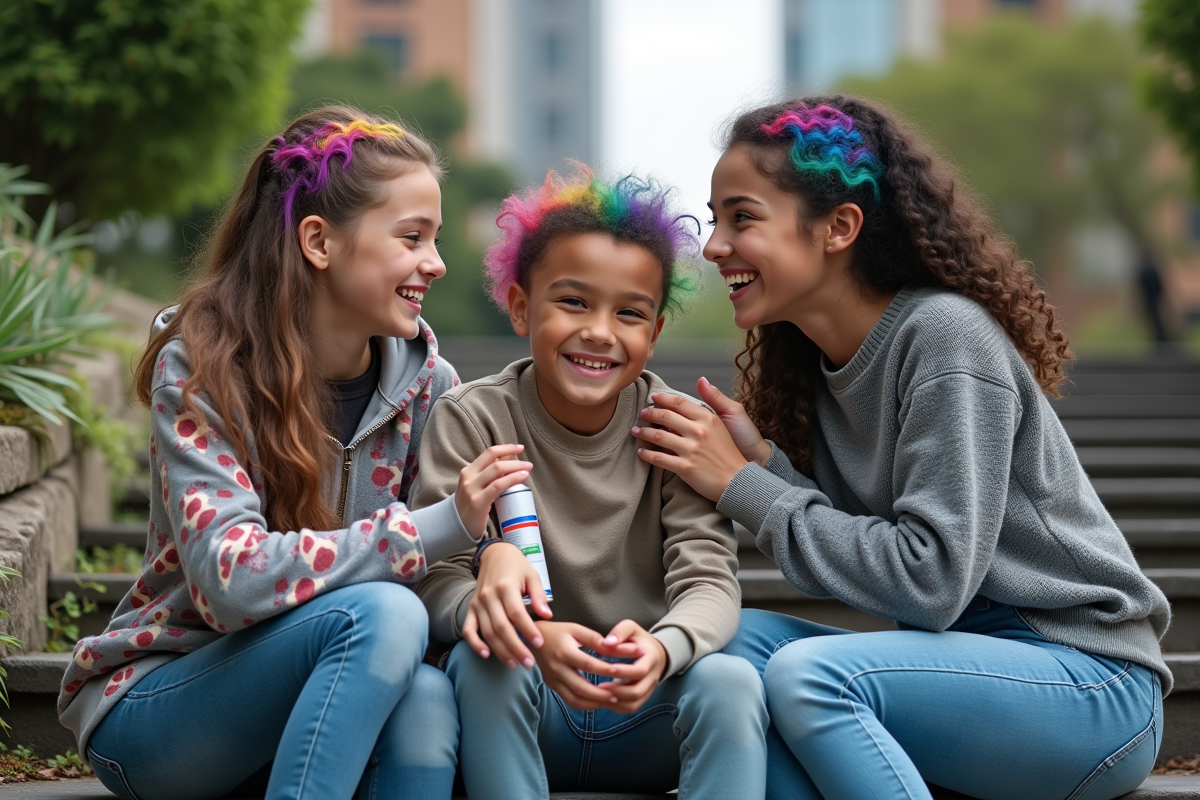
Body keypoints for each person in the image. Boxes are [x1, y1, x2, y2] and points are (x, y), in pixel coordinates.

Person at [631, 96, 1172, 800]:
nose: (712, 247)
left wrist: (747, 486)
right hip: (967, 670)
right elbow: (872, 549)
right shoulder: (815, 367)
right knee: (722, 650)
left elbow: (931, 584)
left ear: (839, 227)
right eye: (714, 221)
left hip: (1091, 684)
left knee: (807, 678)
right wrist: (768, 466)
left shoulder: (944, 338)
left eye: (743, 217)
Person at [56, 106, 532, 800]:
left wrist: (491, 553)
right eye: (411, 237)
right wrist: (435, 528)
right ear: (318, 241)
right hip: (162, 704)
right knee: (384, 613)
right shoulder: (203, 367)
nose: (436, 262)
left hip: (330, 697)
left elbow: (444, 575)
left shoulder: (434, 388)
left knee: (429, 696)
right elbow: (231, 577)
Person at [410, 167, 768, 800]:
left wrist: (664, 650)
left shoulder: (673, 429)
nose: (600, 331)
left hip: (644, 707)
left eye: (629, 313)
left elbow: (709, 580)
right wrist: (525, 634)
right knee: (485, 663)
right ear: (522, 307)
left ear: (653, 335)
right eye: (573, 301)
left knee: (732, 683)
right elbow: (438, 577)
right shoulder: (472, 417)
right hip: (528, 708)